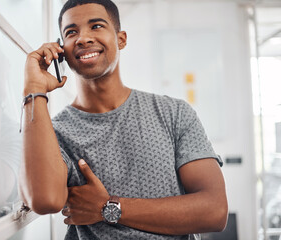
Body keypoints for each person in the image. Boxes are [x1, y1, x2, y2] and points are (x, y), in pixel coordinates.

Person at [19, 0, 228, 239]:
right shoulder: (54, 131)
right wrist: (34, 89)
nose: (83, 38)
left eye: (96, 26)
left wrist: (107, 207)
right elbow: (44, 201)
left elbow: (214, 211)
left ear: (121, 39)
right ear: (61, 50)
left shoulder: (174, 113)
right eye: (71, 32)